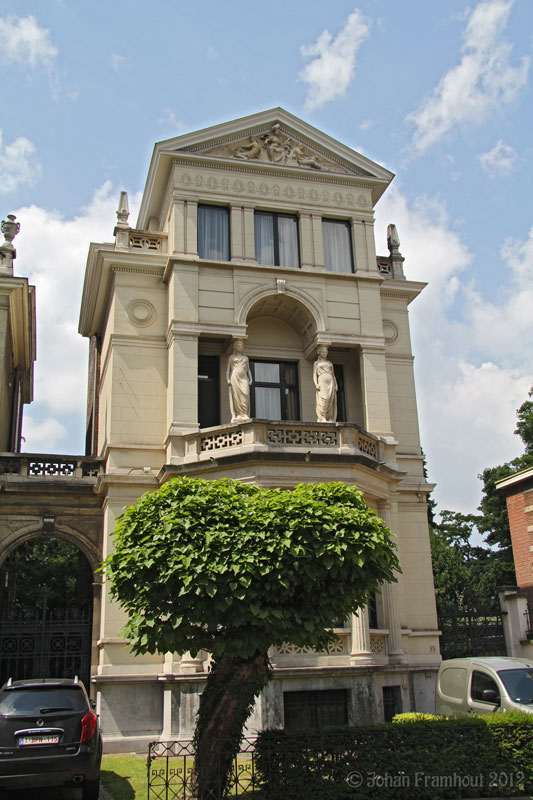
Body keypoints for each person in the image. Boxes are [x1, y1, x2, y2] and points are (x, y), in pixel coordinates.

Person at [227, 339, 252, 422]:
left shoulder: (246, 358)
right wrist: (227, 378)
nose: (240, 347)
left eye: (241, 346)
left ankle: (244, 413)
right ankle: (239, 414)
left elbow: (248, 370)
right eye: (238, 346)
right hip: (234, 377)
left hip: (244, 378)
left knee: (245, 394)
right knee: (236, 396)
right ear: (234, 347)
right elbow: (228, 369)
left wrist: (251, 379)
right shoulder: (232, 357)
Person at [313, 346, 337, 422]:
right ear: (319, 353)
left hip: (330, 381)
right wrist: (316, 384)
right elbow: (314, 374)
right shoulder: (316, 363)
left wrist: (336, 384)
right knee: (324, 398)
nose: (325, 353)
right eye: (323, 352)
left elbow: (333, 375)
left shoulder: (330, 363)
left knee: (330, 400)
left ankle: (329, 417)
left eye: (326, 352)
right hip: (322, 381)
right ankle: (322, 417)